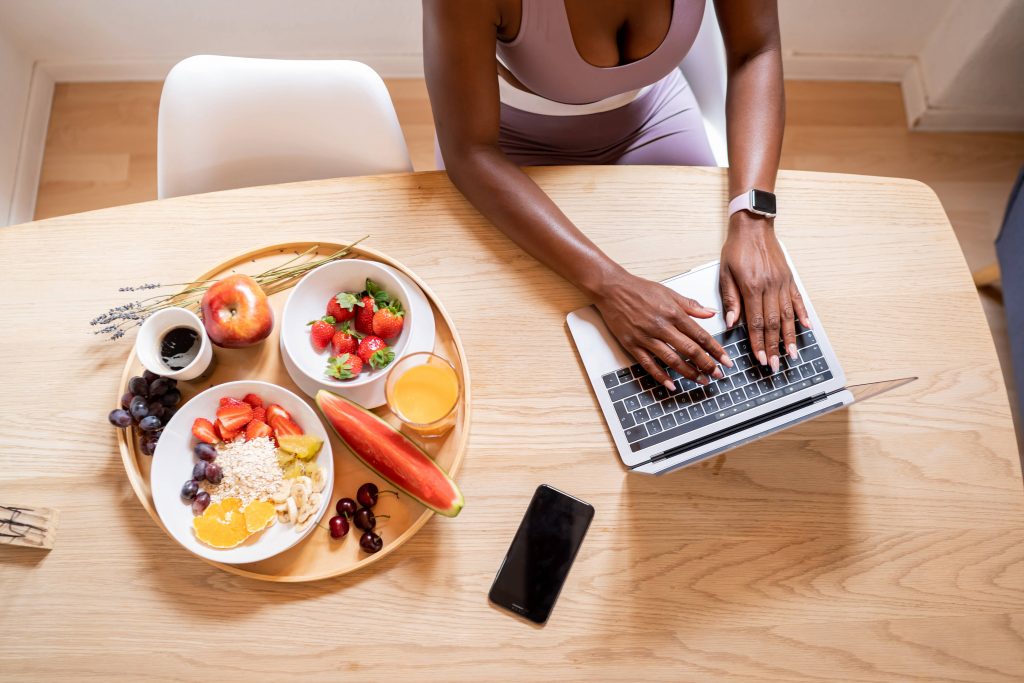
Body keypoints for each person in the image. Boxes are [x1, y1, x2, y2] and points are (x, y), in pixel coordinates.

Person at [423, 0, 810, 392]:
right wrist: (610, 285)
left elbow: (755, 49)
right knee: (532, 355)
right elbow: (470, 151)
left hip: (651, 115)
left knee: (724, 313)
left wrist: (752, 217)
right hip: (506, 152)